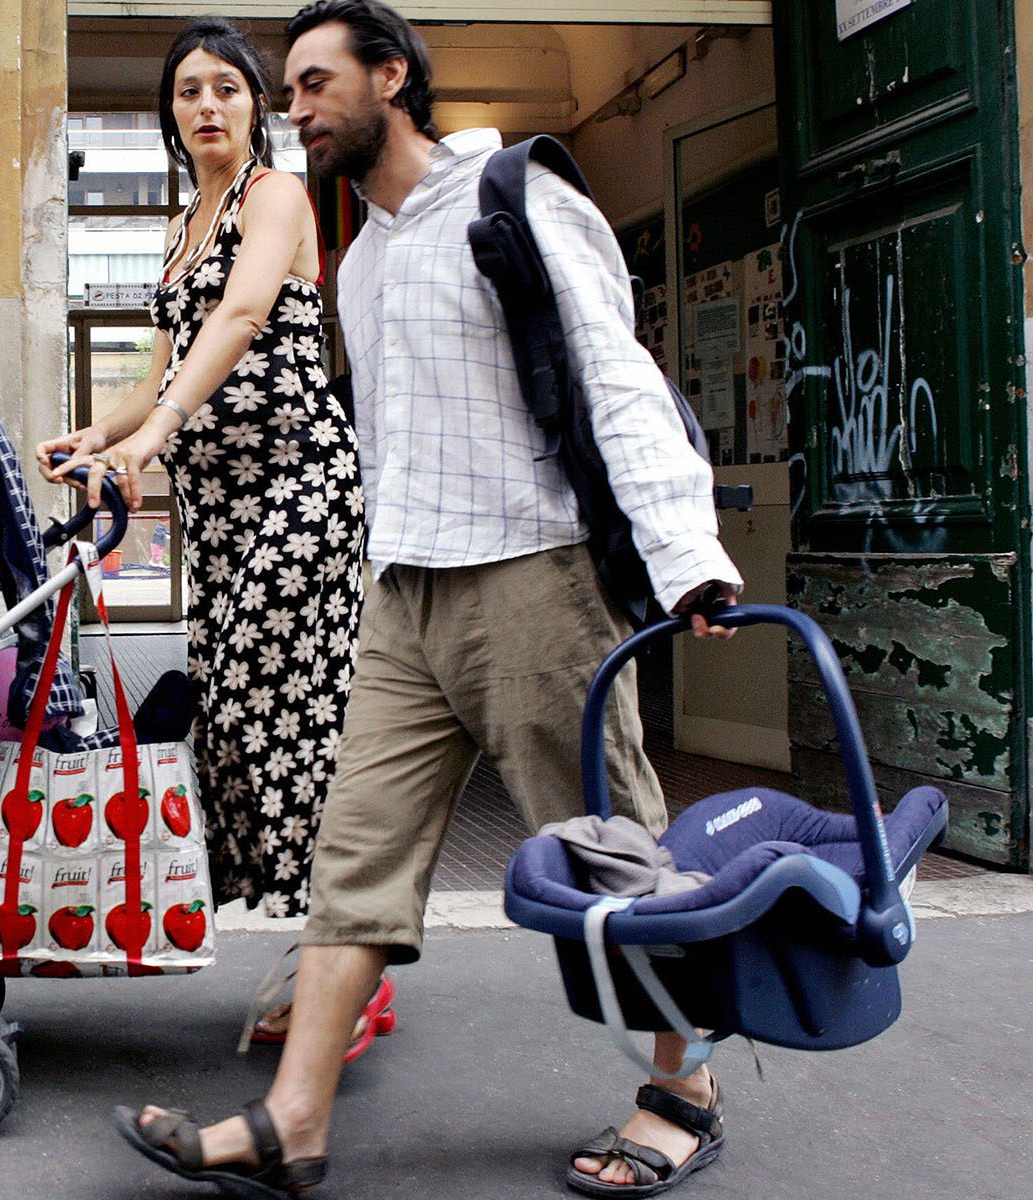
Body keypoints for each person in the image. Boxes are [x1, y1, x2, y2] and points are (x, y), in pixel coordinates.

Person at [115, 3, 744, 1198]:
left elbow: (619, 376)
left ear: (390, 78)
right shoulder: (367, 260)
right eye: (285, 92)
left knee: (608, 851)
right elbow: (384, 447)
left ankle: (684, 1091)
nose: (288, 110)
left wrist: (687, 558)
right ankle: (294, 1121)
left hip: (533, 577)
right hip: (403, 592)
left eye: (310, 85)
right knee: (355, 855)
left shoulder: (516, 200)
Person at [38, 15, 392, 1062]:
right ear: (170, 112)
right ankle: (343, 953)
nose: (205, 106)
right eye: (187, 91)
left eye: (225, 89)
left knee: (294, 721)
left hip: (299, 489)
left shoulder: (274, 198)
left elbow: (240, 321)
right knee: (239, 724)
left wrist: (154, 435)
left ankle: (350, 962)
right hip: (227, 508)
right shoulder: (181, 220)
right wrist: (99, 430)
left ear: (258, 105)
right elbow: (164, 365)